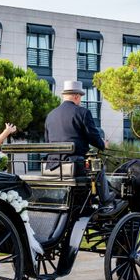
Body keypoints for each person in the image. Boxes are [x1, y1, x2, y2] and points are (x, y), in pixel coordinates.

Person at [45, 80, 117, 209]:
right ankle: (106, 198)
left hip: (51, 165)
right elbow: (93, 136)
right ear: (76, 96)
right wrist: (102, 144)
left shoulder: (51, 115)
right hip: (74, 164)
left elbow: (47, 140)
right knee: (98, 168)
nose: (80, 101)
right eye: (80, 98)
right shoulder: (83, 112)